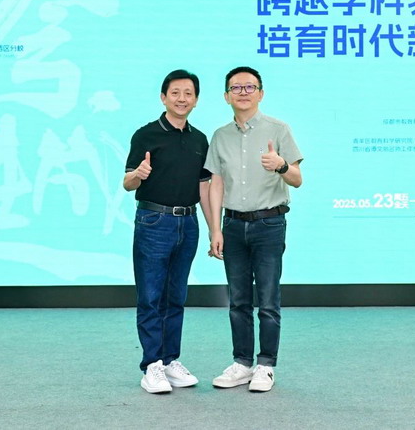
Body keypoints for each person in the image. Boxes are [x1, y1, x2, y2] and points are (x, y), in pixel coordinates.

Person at [205, 66, 303, 393]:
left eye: (250, 87)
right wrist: (215, 228)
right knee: (238, 300)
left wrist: (281, 165)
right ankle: (242, 363)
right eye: (236, 88)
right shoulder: (220, 136)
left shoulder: (279, 129)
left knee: (268, 300)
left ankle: (266, 365)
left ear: (261, 93)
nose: (243, 92)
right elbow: (216, 183)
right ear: (226, 96)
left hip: (269, 224)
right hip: (233, 225)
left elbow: (297, 179)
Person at [123, 69, 214, 394]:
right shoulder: (145, 135)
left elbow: (205, 187)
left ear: (196, 100)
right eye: (175, 93)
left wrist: (213, 229)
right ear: (163, 97)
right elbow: (127, 183)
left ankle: (169, 359)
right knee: (151, 296)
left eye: (188, 93)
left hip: (187, 223)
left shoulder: (199, 139)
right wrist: (139, 173)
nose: (181, 99)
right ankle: (151, 365)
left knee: (176, 296)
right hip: (154, 221)